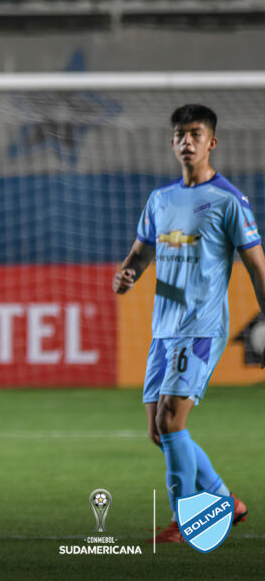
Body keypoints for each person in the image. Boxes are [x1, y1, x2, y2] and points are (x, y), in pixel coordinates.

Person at [112, 104, 263, 543]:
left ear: (211, 142)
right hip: (164, 329)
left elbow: (256, 265)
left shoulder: (228, 200)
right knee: (159, 431)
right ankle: (224, 500)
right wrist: (127, 275)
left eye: (196, 134)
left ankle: (187, 521)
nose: (187, 142)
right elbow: (140, 254)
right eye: (180, 134)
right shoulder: (160, 200)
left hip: (201, 326)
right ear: (172, 141)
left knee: (173, 423)